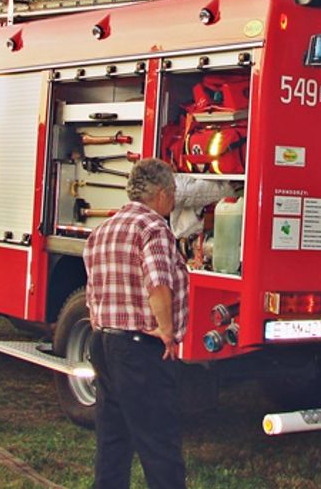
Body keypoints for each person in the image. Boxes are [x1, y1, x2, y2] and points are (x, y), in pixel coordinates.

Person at [83, 158, 189, 489]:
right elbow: (158, 283)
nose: (173, 199)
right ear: (159, 194)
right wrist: (168, 333)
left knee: (113, 439)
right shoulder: (153, 228)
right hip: (139, 349)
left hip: (104, 341)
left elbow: (93, 292)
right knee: (159, 441)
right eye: (172, 192)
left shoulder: (103, 230)